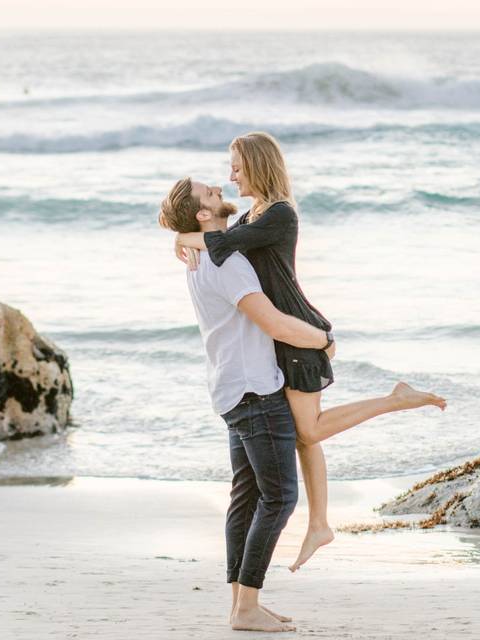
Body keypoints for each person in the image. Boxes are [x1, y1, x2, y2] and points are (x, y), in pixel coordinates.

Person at [171, 132, 447, 572]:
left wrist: (186, 237)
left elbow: (219, 245)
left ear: (259, 166)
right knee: (301, 432)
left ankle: (396, 400)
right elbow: (219, 238)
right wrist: (184, 235)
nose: (230, 175)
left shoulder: (280, 216)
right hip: (283, 338)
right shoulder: (248, 217)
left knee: (310, 430)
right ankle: (319, 522)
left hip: (300, 334)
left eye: (237, 167)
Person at [159, 180, 334, 632]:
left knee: (247, 498)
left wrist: (181, 236)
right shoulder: (227, 263)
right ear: (203, 215)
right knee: (279, 499)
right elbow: (273, 323)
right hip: (255, 391)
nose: (219, 188)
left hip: (230, 389)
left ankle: (241, 604)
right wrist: (323, 340)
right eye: (210, 194)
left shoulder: (200, 257)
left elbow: (228, 235)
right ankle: (247, 608)